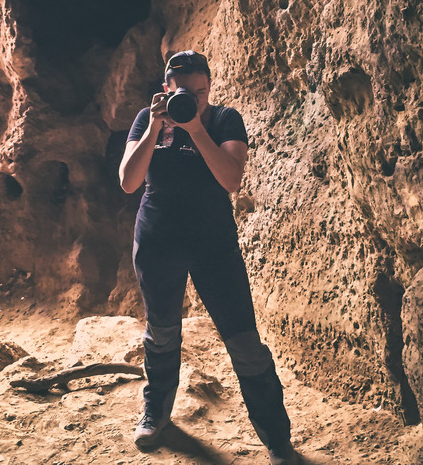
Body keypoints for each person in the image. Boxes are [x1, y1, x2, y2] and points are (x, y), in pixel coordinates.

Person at [119, 50, 298, 465]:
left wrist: (194, 126)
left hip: (212, 240)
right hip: (158, 237)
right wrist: (155, 127)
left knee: (244, 341)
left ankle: (277, 439)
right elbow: (129, 182)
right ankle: (156, 414)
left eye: (202, 92)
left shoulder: (222, 120)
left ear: (209, 89)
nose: (195, 99)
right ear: (167, 88)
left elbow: (231, 180)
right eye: (185, 92)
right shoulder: (148, 119)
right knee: (161, 332)